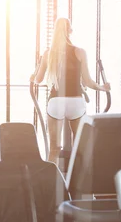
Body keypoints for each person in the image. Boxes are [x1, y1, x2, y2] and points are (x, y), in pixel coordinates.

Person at [30, 17, 111, 163]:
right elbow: (88, 82)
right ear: (70, 31)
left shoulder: (49, 53)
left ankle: (51, 184)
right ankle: (77, 183)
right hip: (76, 102)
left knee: (54, 149)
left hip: (56, 102)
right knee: (79, 147)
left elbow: (38, 79)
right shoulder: (80, 52)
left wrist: (33, 78)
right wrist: (103, 88)